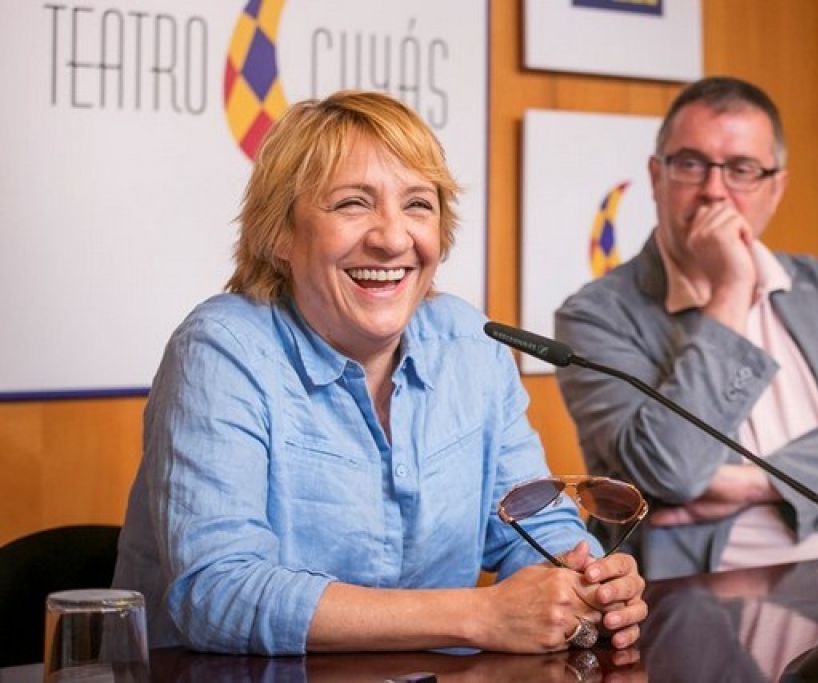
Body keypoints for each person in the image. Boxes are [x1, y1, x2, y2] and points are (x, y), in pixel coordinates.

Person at [112, 90, 646, 655]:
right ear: (280, 233)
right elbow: (219, 593)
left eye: (418, 205)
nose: (392, 238)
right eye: (352, 204)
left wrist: (583, 581)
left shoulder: (473, 345)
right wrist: (479, 615)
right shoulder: (223, 349)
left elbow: (534, 526)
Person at [554, 76, 818, 580]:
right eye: (691, 164)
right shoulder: (595, 316)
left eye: (741, 170)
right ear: (656, 176)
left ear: (775, 188)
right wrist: (732, 289)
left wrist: (757, 483)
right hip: (706, 598)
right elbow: (673, 471)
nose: (715, 191)